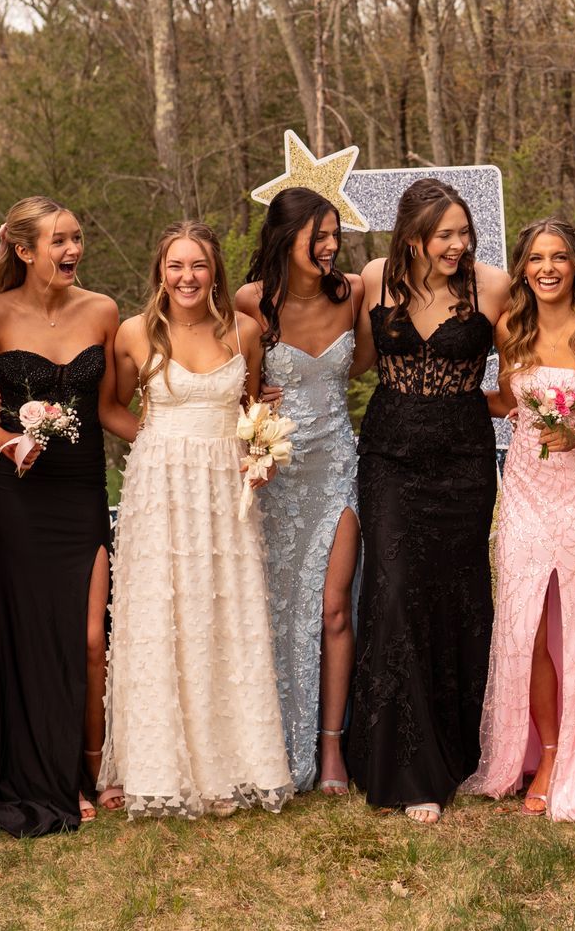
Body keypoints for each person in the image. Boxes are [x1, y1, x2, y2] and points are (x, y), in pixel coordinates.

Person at [98, 221, 295, 817]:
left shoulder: (246, 332)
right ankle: (156, 766)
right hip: (160, 490)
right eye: (176, 266)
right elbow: (110, 406)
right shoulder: (135, 333)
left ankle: (232, 763)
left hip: (224, 490)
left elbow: (253, 405)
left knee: (224, 612)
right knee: (163, 614)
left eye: (199, 266)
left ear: (215, 272)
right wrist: (161, 442)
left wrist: (259, 450)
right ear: (160, 270)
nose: (187, 277)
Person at [0, 197, 138, 835]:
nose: (72, 251)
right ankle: (47, 778)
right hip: (19, 494)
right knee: (28, 634)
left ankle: (91, 768)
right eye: (58, 241)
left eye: (77, 238)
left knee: (92, 641)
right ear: (25, 250)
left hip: (82, 490)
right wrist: (7, 441)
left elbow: (115, 406)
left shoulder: (103, 311)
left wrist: (170, 441)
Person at [462, 219, 575, 821]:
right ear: (522, 267)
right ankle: (545, 752)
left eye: (559, 257)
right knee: (528, 627)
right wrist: (458, 398)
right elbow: (504, 399)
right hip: (524, 491)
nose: (547, 268)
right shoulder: (511, 326)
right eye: (536, 258)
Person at [346, 178, 509, 824]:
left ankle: (460, 751)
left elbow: (523, 364)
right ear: (414, 235)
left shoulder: (491, 286)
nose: (459, 245)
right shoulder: (374, 277)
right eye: (446, 234)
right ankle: (402, 763)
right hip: (388, 456)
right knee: (392, 591)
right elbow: (354, 360)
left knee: (457, 594)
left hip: (464, 460)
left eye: (464, 233)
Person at [236, 187, 364, 795]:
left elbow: (362, 363)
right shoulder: (250, 304)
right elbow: (236, 389)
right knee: (272, 611)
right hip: (275, 475)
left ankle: (332, 750)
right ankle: (270, 742)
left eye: (335, 234)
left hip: (337, 464)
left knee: (334, 608)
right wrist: (254, 404)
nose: (331, 245)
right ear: (287, 239)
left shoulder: (355, 293)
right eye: (319, 236)